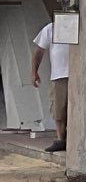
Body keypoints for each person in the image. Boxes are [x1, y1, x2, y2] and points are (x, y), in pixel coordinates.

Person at [29, 17, 69, 153]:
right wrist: (34, 72)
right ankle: (61, 139)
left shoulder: (79, 25)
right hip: (59, 75)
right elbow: (38, 52)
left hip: (78, 74)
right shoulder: (50, 29)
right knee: (58, 109)